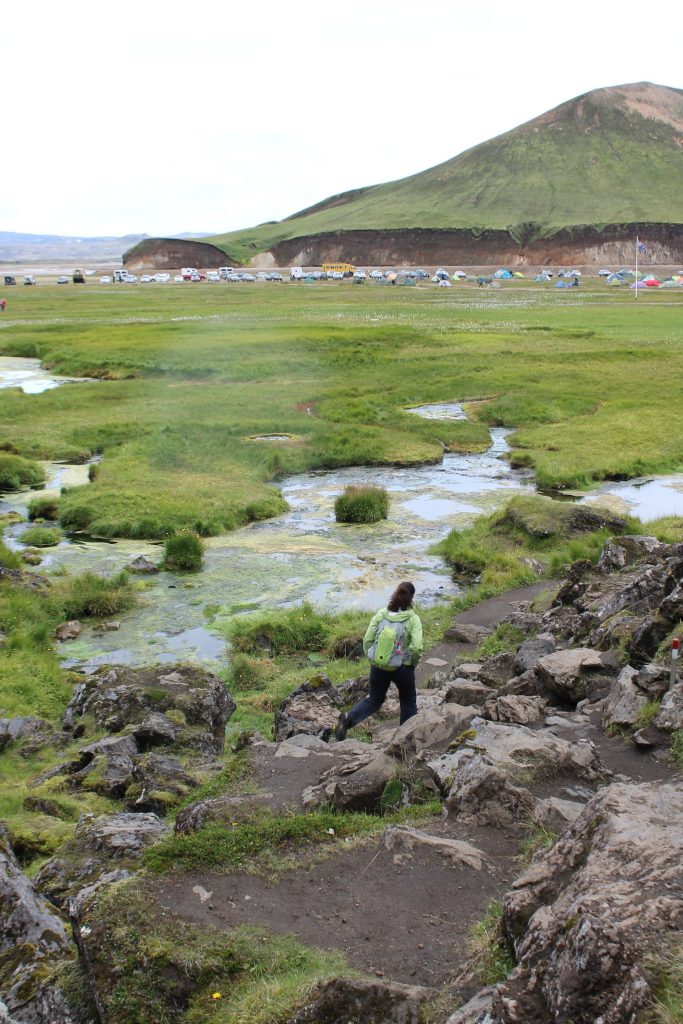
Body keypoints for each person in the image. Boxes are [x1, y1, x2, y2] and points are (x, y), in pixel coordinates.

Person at [333, 581, 423, 740]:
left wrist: (373, 658)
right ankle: (403, 741)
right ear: (411, 598)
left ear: (395, 594)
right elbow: (416, 648)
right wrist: (411, 663)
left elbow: (368, 639)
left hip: (379, 667)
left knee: (374, 699)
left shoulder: (381, 614)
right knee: (408, 701)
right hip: (402, 668)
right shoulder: (412, 619)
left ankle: (348, 719)